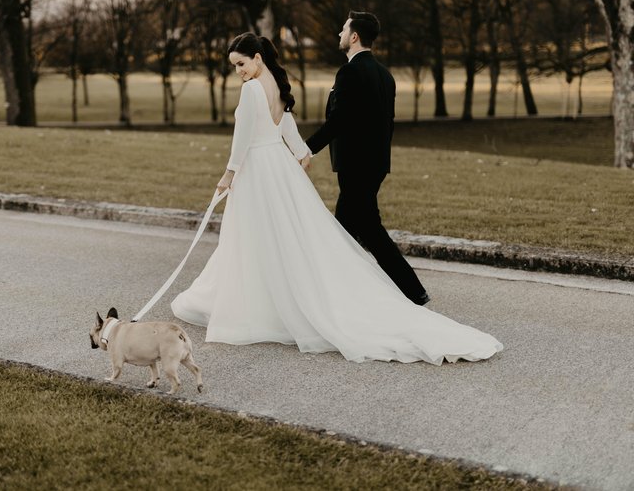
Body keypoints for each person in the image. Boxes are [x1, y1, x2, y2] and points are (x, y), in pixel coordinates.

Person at [170, 32, 501, 365]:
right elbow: (288, 131)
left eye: (240, 64)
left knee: (253, 238)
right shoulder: (278, 86)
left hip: (257, 169)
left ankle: (260, 305)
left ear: (257, 58)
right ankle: (269, 299)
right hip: (279, 167)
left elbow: (242, 140)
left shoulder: (253, 88)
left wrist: (229, 174)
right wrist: (301, 153)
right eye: (234, 67)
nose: (238, 71)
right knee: (278, 238)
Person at [306, 11, 429, 306]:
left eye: (343, 29)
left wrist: (306, 148)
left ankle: (406, 291)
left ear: (355, 36)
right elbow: (388, 124)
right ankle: (406, 291)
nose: (339, 34)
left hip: (355, 166)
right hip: (374, 165)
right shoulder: (385, 75)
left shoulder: (349, 72)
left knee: (355, 230)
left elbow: (339, 120)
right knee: (358, 228)